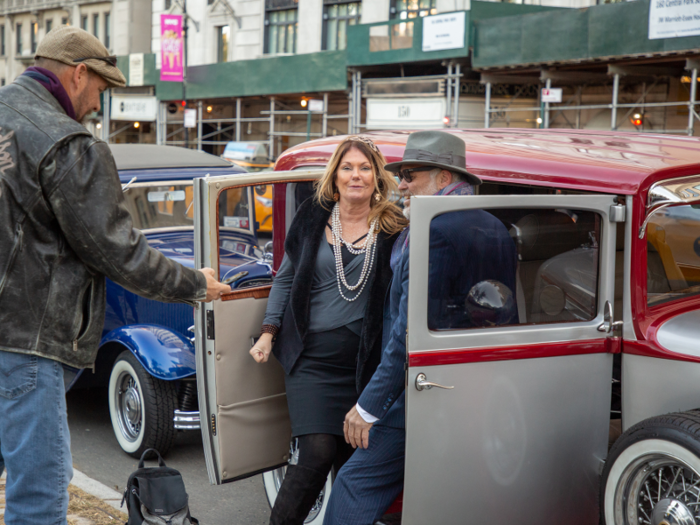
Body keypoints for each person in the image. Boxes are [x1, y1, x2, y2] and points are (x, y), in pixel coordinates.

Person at [0, 27, 230, 525]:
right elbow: (119, 251)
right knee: (38, 494)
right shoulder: (68, 143)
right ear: (78, 73)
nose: (97, 105)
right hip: (29, 343)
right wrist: (195, 284)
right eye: (100, 89)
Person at [324, 131, 518, 525]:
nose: (403, 184)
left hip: (421, 390)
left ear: (444, 178)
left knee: (354, 483)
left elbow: (408, 332)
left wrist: (369, 406)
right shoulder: (493, 224)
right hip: (481, 386)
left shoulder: (434, 231)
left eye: (411, 174)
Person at [249, 135, 407, 525]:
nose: (357, 175)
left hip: (363, 367)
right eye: (348, 167)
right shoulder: (312, 215)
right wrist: (269, 332)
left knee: (351, 464)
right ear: (335, 175)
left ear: (377, 176)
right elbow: (285, 279)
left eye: (366, 168)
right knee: (317, 451)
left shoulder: (395, 225)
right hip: (310, 362)